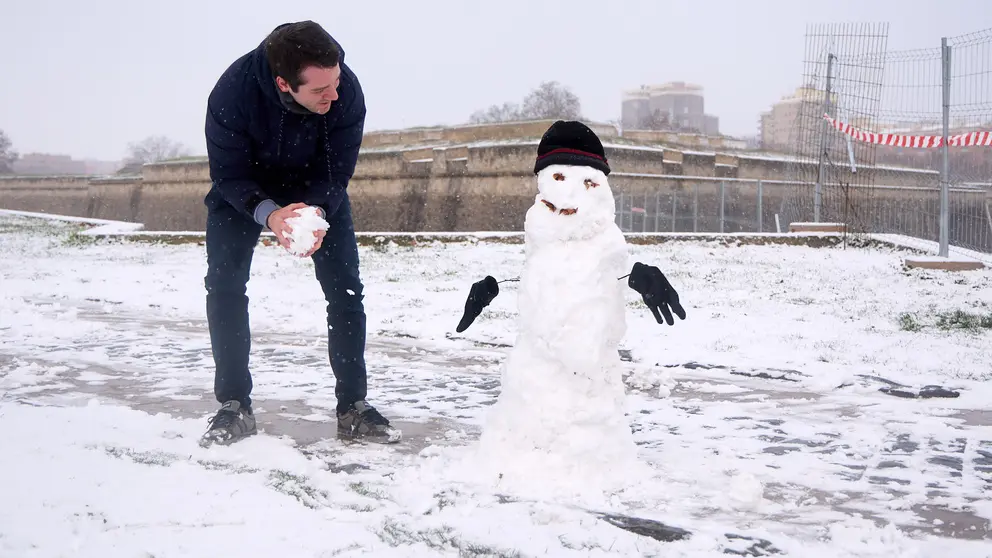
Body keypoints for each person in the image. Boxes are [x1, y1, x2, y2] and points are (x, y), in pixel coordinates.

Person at [199, 20, 400, 446]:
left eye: (337, 82)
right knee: (225, 287)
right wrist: (270, 215)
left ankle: (353, 407)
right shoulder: (231, 94)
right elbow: (228, 175)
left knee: (346, 290)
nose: (335, 95)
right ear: (284, 84)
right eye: (320, 91)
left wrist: (316, 211)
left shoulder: (345, 92)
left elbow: (338, 170)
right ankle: (234, 406)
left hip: (316, 188)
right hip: (244, 193)